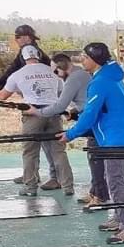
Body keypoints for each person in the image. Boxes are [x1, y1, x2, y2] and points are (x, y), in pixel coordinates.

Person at [60, 43, 124, 245]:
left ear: (95, 60)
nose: (82, 60)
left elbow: (90, 115)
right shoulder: (113, 77)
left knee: (116, 182)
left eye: (85, 57)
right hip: (119, 135)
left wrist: (70, 134)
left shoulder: (100, 82)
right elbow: (103, 109)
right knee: (113, 179)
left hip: (115, 139)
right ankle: (120, 218)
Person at [0, 45, 74, 197]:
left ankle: (30, 187)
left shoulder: (18, 74)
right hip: (54, 113)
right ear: (38, 56)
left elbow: (3, 96)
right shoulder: (52, 71)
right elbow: (60, 92)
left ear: (22, 58)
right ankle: (68, 186)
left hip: (32, 115)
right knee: (59, 151)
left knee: (30, 152)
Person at [0, 24, 59, 189]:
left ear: (26, 37)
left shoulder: (28, 50)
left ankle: (45, 177)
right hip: (49, 104)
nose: (16, 40)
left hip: (37, 106)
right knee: (48, 145)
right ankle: (34, 174)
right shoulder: (36, 51)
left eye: (17, 37)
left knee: (41, 146)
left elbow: (12, 70)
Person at [29, 52, 96, 204]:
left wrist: (37, 112)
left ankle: (98, 195)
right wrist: (74, 112)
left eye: (56, 71)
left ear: (63, 66)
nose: (56, 74)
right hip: (89, 115)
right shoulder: (81, 74)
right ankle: (96, 192)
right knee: (94, 157)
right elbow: (85, 100)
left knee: (95, 157)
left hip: (92, 119)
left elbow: (60, 105)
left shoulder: (74, 78)